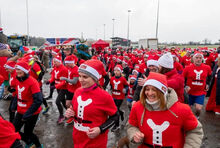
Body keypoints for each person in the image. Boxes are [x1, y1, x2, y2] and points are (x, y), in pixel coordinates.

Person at [127, 72, 203, 148]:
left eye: (154, 90)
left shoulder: (182, 109)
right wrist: (134, 134)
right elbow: (131, 126)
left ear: (163, 92)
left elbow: (194, 131)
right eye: (147, 89)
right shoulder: (137, 107)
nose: (149, 93)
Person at [65, 59, 119, 148]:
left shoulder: (104, 96)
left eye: (85, 77)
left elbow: (115, 116)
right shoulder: (77, 91)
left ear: (94, 78)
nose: (81, 80)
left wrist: (100, 129)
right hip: (77, 138)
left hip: (95, 141)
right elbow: (74, 110)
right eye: (79, 76)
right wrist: (70, 113)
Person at [12, 61, 43, 148]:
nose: (17, 71)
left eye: (19, 69)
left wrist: (27, 114)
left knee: (28, 132)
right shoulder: (17, 79)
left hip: (32, 112)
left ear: (25, 71)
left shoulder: (33, 82)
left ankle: (38, 145)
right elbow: (17, 94)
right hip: (20, 110)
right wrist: (13, 107)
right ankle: (29, 143)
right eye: (16, 69)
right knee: (13, 130)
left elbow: (38, 100)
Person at [183, 51, 212, 118]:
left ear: (202, 59)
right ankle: (189, 118)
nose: (198, 59)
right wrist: (185, 86)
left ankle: (196, 117)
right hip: (189, 92)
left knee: (198, 109)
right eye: (196, 57)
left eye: (200, 58)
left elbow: (210, 76)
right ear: (193, 59)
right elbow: (182, 78)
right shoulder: (187, 68)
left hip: (201, 91)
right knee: (188, 108)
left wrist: (208, 84)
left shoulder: (207, 67)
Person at [47, 56, 68, 124]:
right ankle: (70, 113)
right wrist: (49, 81)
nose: (54, 63)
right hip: (58, 87)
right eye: (54, 62)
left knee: (57, 102)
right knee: (63, 101)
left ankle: (61, 116)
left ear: (59, 61)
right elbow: (53, 77)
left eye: (55, 62)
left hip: (63, 88)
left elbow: (64, 81)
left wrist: (55, 86)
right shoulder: (55, 68)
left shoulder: (64, 69)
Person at [110, 64, 129, 132]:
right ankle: (121, 113)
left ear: (121, 72)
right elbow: (111, 86)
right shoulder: (112, 78)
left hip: (120, 96)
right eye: (115, 70)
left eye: (118, 70)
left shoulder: (123, 79)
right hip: (114, 96)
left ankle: (116, 125)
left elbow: (127, 86)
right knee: (116, 109)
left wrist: (125, 90)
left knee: (115, 110)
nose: (116, 72)